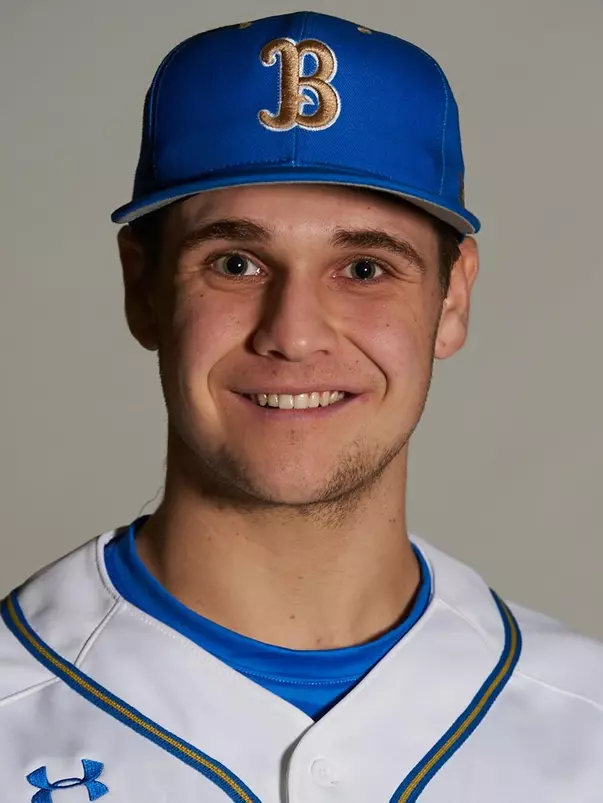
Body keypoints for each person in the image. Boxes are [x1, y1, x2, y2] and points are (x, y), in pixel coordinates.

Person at [1, 10, 602, 803]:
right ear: (140, 289)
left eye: (362, 269)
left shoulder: (586, 727)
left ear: (451, 300)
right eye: (236, 261)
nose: (292, 334)